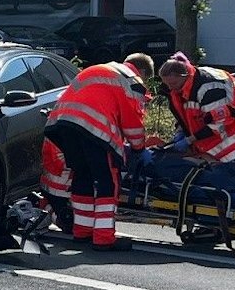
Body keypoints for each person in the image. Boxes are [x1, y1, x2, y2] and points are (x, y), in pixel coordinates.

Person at [44, 53, 155, 251]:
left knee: (83, 177)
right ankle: (103, 238)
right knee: (107, 182)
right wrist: (138, 148)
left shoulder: (102, 68)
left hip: (63, 126)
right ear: (144, 72)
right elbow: (133, 123)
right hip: (94, 130)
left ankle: (82, 232)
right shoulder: (132, 80)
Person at [158, 52, 235, 196]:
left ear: (184, 76)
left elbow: (219, 124)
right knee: (215, 169)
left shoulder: (209, 87)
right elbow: (186, 114)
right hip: (217, 131)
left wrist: (190, 139)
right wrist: (181, 131)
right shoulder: (181, 86)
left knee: (226, 174)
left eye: (173, 84)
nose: (171, 88)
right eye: (167, 84)